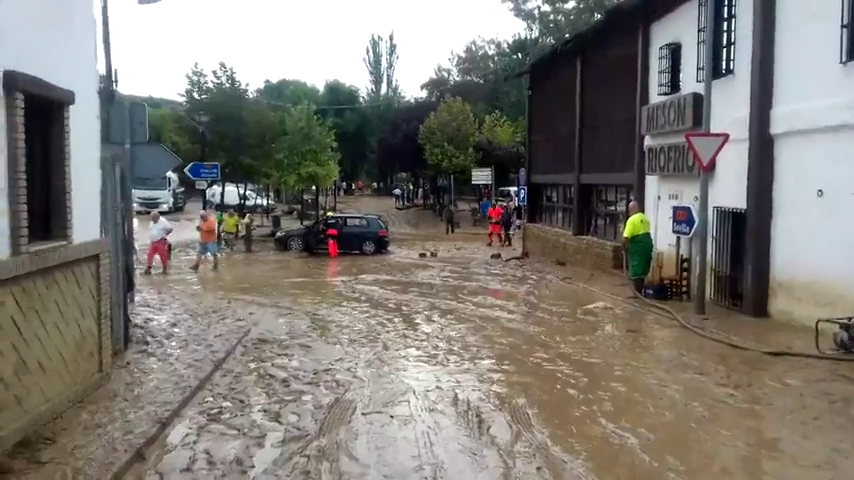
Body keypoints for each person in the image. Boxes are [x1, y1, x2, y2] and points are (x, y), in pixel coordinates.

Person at [622, 200, 654, 292]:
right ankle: (641, 289)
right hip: (647, 246)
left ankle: (637, 292)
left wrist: (623, 246)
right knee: (643, 268)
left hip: (638, 248)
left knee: (637, 269)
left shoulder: (631, 220)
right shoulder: (645, 218)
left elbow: (626, 237)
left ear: (631, 209)